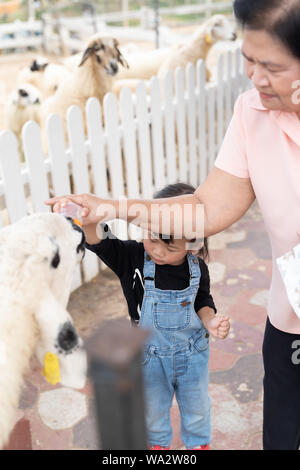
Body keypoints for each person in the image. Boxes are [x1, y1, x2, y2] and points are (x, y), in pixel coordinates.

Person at [46, 0, 300, 450]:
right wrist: (114, 208)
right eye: (248, 58)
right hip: (292, 314)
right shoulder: (252, 113)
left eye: (272, 66)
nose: (255, 77)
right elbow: (204, 208)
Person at [50, 183, 230, 450]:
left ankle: (198, 445)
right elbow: (101, 242)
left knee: (198, 409)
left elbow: (203, 301)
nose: (157, 251)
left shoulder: (197, 268)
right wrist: (89, 222)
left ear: (193, 242)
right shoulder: (132, 258)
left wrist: (211, 321)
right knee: (153, 412)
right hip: (149, 357)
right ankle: (158, 447)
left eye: (169, 248)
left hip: (192, 356)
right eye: (152, 239)